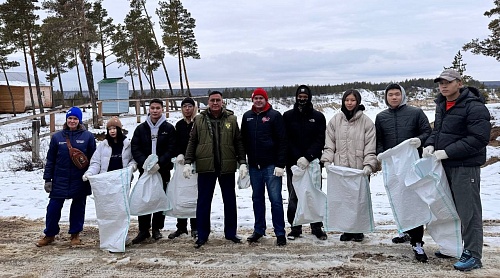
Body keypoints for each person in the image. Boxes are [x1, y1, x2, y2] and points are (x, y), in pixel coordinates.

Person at [423, 69, 491, 271]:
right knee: (448, 208)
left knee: (469, 212)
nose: (443, 86)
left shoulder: (474, 107)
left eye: (448, 82)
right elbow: (438, 131)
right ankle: (454, 247)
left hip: (464, 166)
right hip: (445, 166)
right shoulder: (442, 104)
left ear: (459, 83)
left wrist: (448, 152)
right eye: (440, 83)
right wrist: (430, 144)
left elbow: (479, 139)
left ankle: (473, 255)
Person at [375, 83, 432, 262]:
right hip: (393, 165)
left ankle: (417, 242)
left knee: (414, 200)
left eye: (397, 94)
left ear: (403, 96)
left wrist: (419, 140)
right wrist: (380, 154)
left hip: (411, 163)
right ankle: (404, 231)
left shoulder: (416, 113)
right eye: (390, 94)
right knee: (398, 197)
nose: (394, 97)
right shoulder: (381, 117)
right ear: (386, 97)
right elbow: (380, 139)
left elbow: (427, 132)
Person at [183, 91, 247, 248]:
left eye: (218, 100)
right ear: (208, 102)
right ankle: (202, 235)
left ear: (222, 102)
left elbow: (238, 142)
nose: (215, 103)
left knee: (230, 201)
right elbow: (192, 142)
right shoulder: (199, 120)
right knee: (204, 202)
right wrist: (188, 161)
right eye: (212, 100)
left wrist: (242, 162)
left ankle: (231, 233)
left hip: (227, 167)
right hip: (206, 167)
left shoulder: (231, 119)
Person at [320, 89, 377, 242]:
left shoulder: (366, 122)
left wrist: (369, 165)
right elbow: (330, 143)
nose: (350, 103)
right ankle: (346, 229)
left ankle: (358, 230)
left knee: (358, 200)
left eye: (353, 100)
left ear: (358, 102)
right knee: (344, 199)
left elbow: (370, 146)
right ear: (343, 102)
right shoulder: (335, 120)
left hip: (359, 169)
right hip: (341, 168)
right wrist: (327, 160)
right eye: (347, 100)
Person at [37, 106, 96, 247]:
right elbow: (50, 159)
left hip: (80, 179)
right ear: (66, 119)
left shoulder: (88, 137)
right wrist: (47, 179)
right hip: (60, 179)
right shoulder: (57, 137)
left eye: (75, 118)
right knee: (53, 208)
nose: (72, 121)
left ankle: (75, 234)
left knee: (78, 207)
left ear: (79, 120)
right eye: (70, 118)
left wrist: (93, 176)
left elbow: (95, 159)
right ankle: (49, 234)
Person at [241, 88, 287, 246]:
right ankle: (259, 230)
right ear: (252, 100)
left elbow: (282, 141)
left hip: (271, 166)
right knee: (257, 199)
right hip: (254, 166)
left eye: (261, 98)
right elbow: (243, 141)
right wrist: (243, 162)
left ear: (266, 100)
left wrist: (281, 164)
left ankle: (280, 232)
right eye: (256, 98)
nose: (259, 100)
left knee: (275, 200)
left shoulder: (274, 116)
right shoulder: (247, 117)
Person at [283, 85, 327, 241]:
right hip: (294, 164)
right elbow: (286, 139)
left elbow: (320, 139)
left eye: (305, 96)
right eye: (300, 96)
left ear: (309, 97)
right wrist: (296, 158)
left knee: (314, 194)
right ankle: (295, 227)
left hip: (313, 162)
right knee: (294, 196)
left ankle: (317, 227)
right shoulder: (288, 116)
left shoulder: (318, 117)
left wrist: (308, 157)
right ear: (296, 97)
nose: (302, 99)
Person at [131, 99, 176, 244]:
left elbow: (171, 148)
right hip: (145, 170)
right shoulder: (141, 129)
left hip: (161, 170)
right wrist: (145, 163)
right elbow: (135, 148)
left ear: (162, 110)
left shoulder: (168, 128)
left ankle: (157, 228)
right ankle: (143, 230)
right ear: (148, 110)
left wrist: (160, 163)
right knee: (144, 198)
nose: (155, 110)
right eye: (152, 108)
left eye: (158, 108)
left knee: (159, 198)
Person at [168, 97, 198, 239]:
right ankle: (181, 227)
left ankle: (196, 227)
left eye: (190, 106)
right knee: (181, 195)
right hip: (181, 164)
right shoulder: (179, 125)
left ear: (194, 108)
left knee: (194, 195)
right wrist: (178, 154)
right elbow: (175, 143)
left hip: (196, 165)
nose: (187, 109)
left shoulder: (199, 122)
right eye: (184, 106)